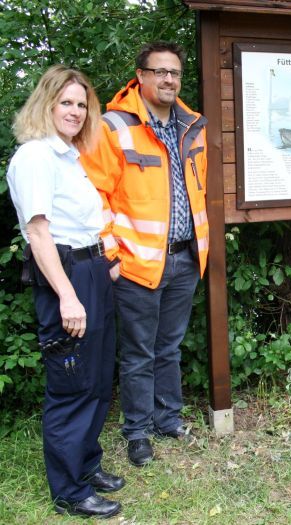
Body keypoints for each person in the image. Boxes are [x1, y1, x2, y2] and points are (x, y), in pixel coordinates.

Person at [81, 42, 209, 466]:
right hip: (135, 263)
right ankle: (137, 432)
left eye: (174, 72)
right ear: (141, 75)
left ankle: (167, 419)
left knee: (169, 347)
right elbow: (93, 194)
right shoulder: (114, 126)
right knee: (138, 353)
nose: (168, 79)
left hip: (185, 259)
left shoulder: (192, 125)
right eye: (159, 72)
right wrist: (111, 256)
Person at [7, 65, 124, 518]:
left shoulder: (68, 156)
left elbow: (83, 221)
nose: (75, 111)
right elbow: (39, 234)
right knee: (72, 384)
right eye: (66, 102)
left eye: (81, 104)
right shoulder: (35, 156)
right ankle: (70, 492)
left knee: (95, 379)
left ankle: (86, 465)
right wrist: (69, 296)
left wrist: (103, 265)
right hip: (66, 279)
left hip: (90, 271)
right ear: (47, 104)